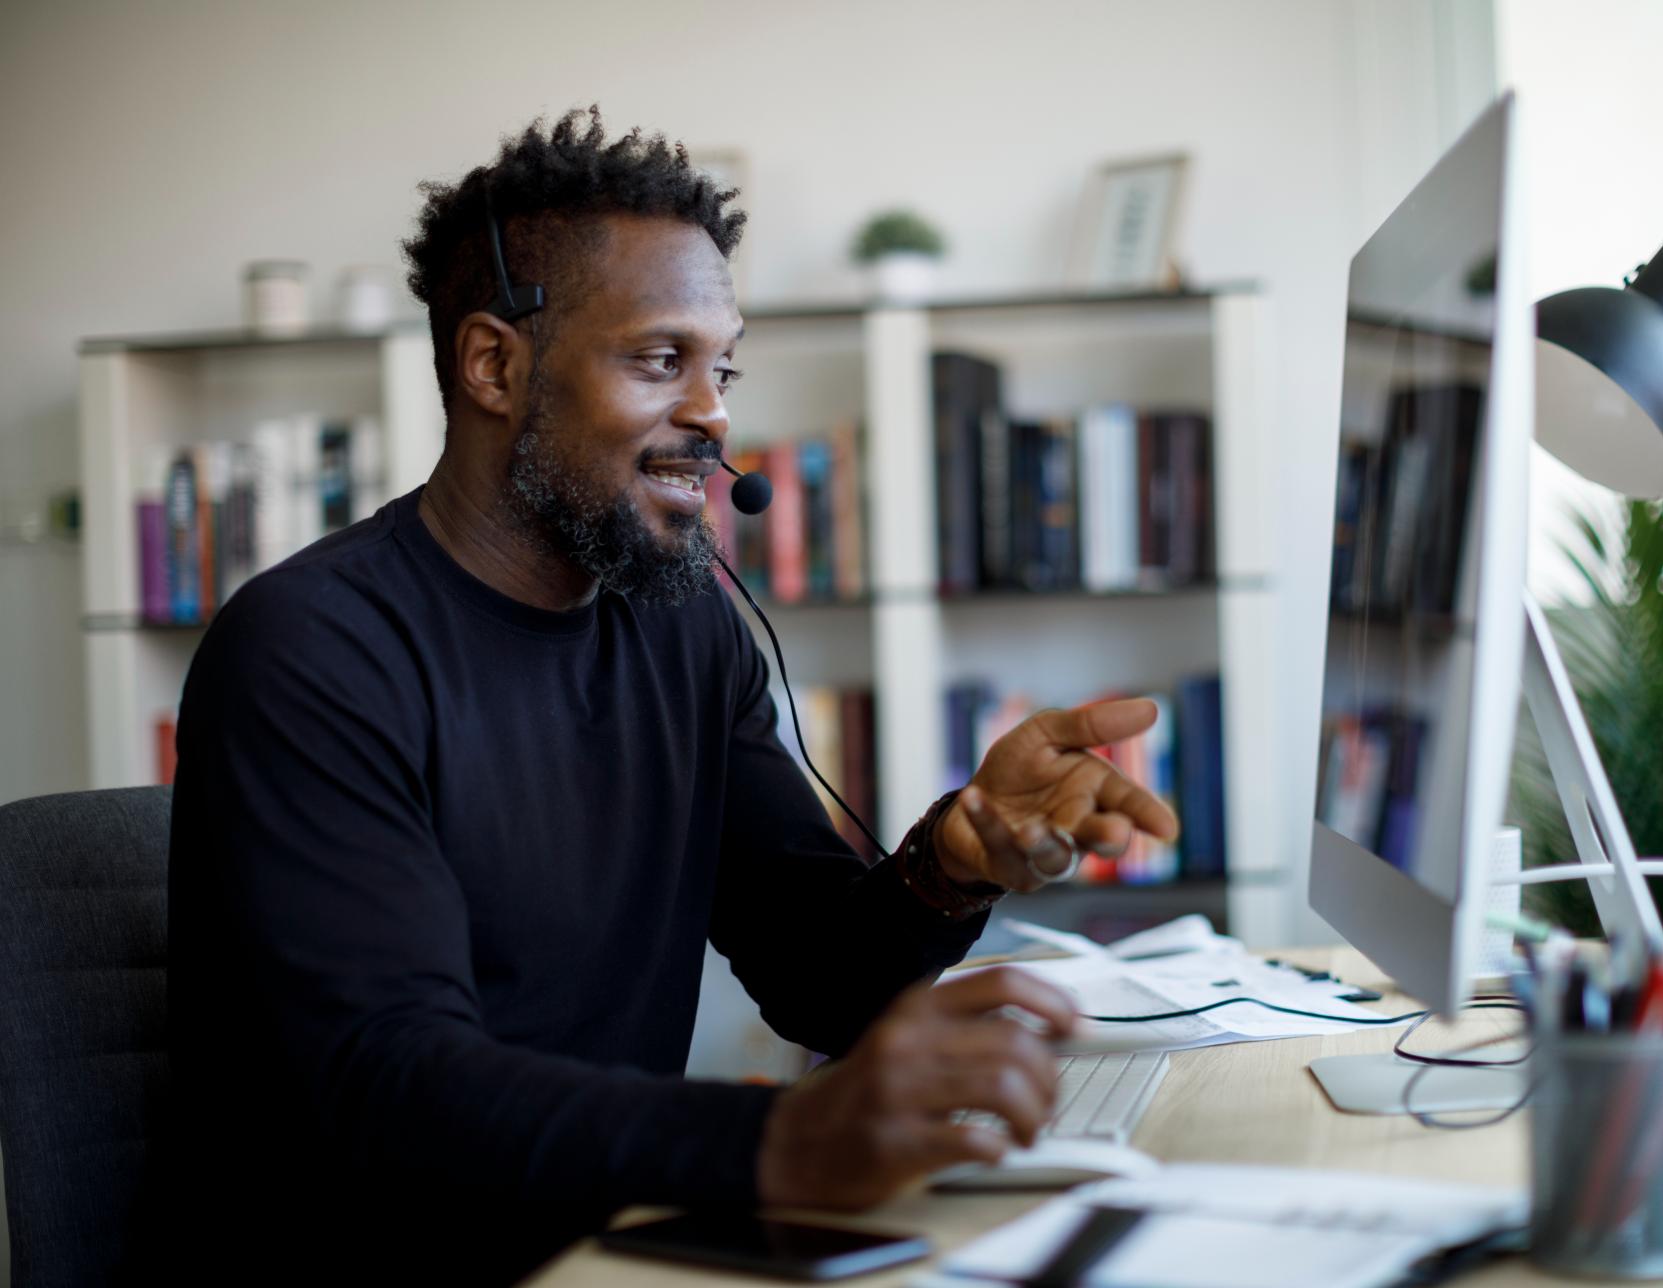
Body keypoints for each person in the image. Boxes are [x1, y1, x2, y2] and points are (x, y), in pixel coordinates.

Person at [163, 106, 1178, 1284]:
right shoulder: (311, 651)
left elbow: (819, 980)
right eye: (661, 360)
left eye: (724, 366)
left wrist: (957, 856)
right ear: (493, 364)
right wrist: (782, 1141)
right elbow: (390, 1084)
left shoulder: (684, 628)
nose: (714, 414)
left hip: (611, 1245)